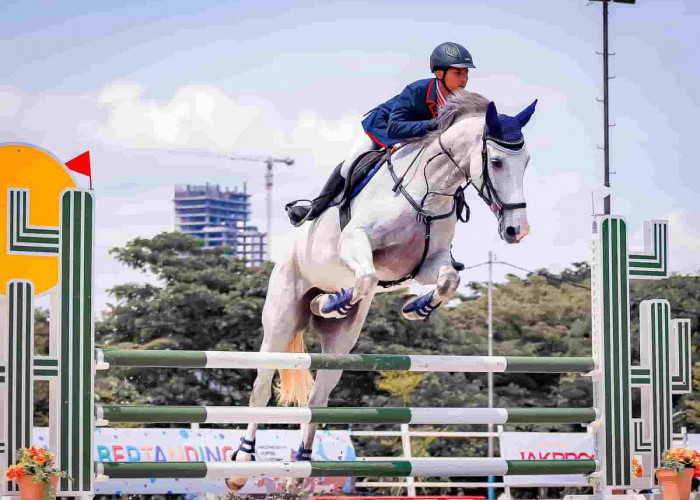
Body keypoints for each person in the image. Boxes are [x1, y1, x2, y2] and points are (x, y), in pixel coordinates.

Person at [286, 42, 475, 227]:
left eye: (466, 73)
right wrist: (432, 124)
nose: (464, 79)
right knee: (350, 164)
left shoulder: (462, 103)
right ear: (439, 74)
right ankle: (315, 208)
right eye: (458, 73)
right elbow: (395, 128)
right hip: (384, 129)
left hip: (418, 141)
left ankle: (444, 245)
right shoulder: (416, 90)